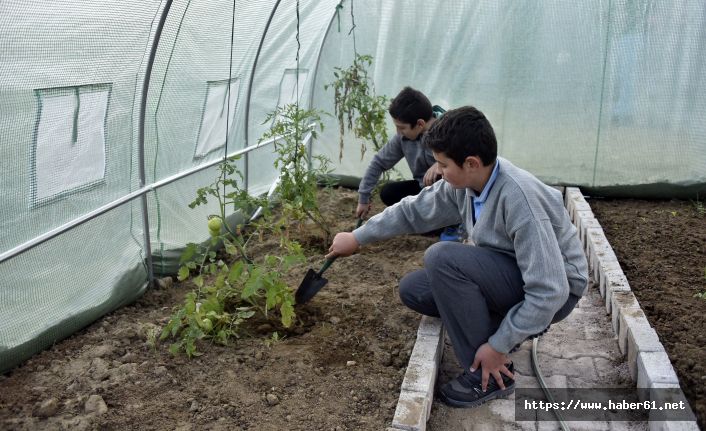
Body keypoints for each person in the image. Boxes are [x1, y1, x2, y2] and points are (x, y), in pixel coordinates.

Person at [327, 106, 589, 408]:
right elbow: (414, 210)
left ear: (471, 163)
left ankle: (486, 374)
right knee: (415, 290)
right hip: (513, 272)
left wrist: (497, 345)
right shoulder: (465, 185)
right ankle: (507, 324)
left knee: (442, 257)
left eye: (442, 165)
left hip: (558, 291)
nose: (438, 171)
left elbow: (549, 290)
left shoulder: (519, 199)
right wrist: (358, 237)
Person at [355, 86, 444, 220]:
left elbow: (469, 156)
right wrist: (363, 199)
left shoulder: (450, 129)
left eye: (401, 127)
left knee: (446, 179)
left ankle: (452, 224)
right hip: (425, 189)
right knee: (389, 193)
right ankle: (432, 222)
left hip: (450, 190)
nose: (398, 132)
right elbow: (378, 163)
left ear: (420, 124)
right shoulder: (403, 138)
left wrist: (441, 163)